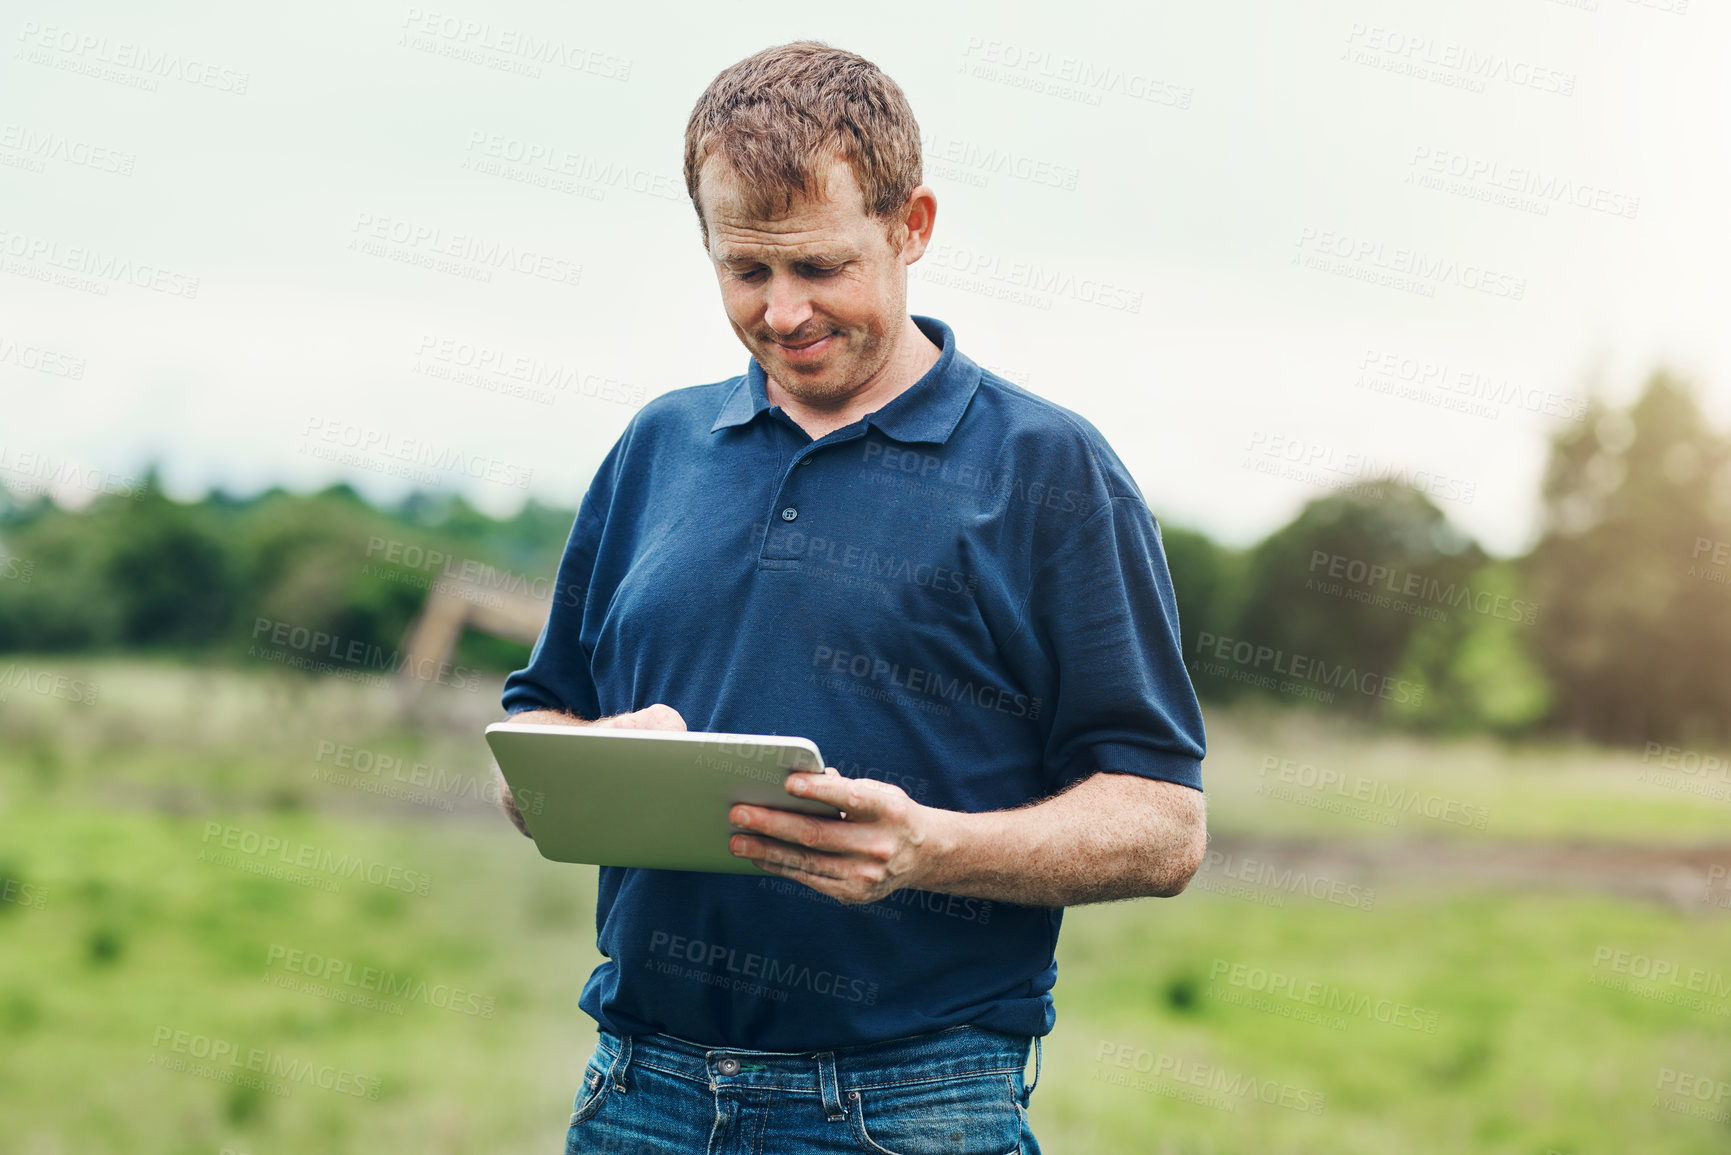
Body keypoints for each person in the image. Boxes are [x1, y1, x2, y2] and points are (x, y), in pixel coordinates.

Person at [495, 39, 1208, 1155]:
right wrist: (590, 758)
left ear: (911, 226)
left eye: (820, 268)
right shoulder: (658, 445)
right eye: (747, 270)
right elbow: (536, 718)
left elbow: (1164, 825)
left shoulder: (1049, 470)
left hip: (911, 1108)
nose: (782, 315)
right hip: (640, 1094)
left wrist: (933, 849)